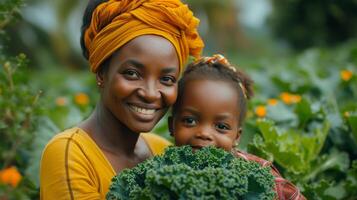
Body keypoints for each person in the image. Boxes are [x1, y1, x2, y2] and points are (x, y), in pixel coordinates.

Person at [40, 0, 204, 199]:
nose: (151, 93)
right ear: (101, 73)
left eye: (167, 79)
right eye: (132, 74)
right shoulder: (70, 153)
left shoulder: (162, 149)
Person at [168, 54, 306, 200]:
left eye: (221, 126)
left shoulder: (259, 176)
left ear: (237, 136)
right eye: (190, 121)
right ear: (172, 126)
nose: (204, 133)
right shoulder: (161, 174)